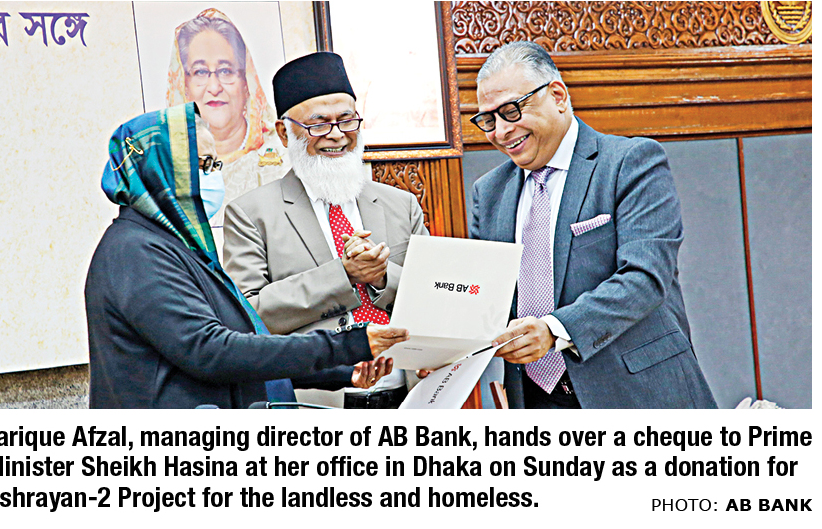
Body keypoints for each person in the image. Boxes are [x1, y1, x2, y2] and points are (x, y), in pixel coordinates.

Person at [85, 102, 408, 409]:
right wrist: (347, 345)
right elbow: (210, 351)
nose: (213, 176)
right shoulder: (136, 251)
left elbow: (244, 343)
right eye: (202, 165)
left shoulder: (177, 244)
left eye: (215, 164)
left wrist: (340, 372)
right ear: (161, 172)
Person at [469, 41, 717, 409]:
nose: (501, 131)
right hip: (537, 402)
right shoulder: (488, 192)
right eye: (488, 120)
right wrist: (442, 352)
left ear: (557, 96)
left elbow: (645, 278)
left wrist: (554, 330)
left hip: (638, 396)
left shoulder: (630, 162)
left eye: (511, 111)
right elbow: (486, 299)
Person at [223, 52, 429, 408]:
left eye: (347, 121)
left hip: (408, 398)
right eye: (318, 125)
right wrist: (342, 275)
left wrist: (382, 277)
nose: (337, 135)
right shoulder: (250, 214)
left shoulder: (401, 204)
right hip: (317, 403)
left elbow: (431, 296)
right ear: (284, 133)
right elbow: (247, 320)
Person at [167, 8, 290, 227]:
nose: (214, 87)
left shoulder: (282, 154)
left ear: (246, 82)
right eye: (200, 72)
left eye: (225, 71)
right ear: (184, 85)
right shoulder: (167, 163)